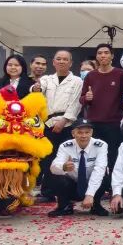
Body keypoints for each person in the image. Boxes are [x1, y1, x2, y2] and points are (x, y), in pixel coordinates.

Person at [79, 44, 123, 187]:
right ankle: (96, 187)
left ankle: (113, 187)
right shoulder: (91, 75)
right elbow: (82, 99)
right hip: (93, 123)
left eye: (106, 53)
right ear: (96, 56)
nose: (103, 55)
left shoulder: (120, 74)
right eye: (100, 53)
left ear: (112, 56)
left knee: (113, 157)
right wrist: (87, 98)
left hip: (113, 122)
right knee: (94, 157)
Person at [38, 50, 84, 202]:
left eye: (65, 59)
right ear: (53, 62)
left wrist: (64, 120)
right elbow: (37, 91)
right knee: (47, 158)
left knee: (66, 157)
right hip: (47, 122)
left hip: (67, 123)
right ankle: (47, 191)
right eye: (58, 59)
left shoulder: (77, 81)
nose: (62, 61)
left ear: (71, 63)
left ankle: (67, 191)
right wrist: (35, 88)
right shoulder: (46, 79)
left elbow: (76, 103)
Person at [45, 118, 109, 217]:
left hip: (92, 185)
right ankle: (64, 206)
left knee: (105, 174)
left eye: (87, 132)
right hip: (73, 186)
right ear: (73, 133)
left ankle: (96, 205)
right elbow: (53, 167)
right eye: (80, 132)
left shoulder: (101, 145)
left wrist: (90, 195)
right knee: (55, 175)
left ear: (91, 133)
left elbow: (99, 170)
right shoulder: (65, 146)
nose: (84, 136)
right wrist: (63, 167)